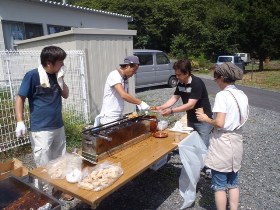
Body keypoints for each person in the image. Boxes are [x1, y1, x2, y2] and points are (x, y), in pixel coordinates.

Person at [15, 46, 72, 200]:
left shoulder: (57, 75)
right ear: (49, 62)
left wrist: (62, 80)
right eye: (60, 62)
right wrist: (19, 121)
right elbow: (20, 98)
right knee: (44, 164)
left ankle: (59, 189)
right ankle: (46, 195)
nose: (62, 65)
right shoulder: (33, 75)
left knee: (60, 160)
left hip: (58, 125)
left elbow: (65, 95)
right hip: (41, 129)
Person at [195, 62, 249, 210]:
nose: (215, 81)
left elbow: (219, 122)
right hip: (237, 138)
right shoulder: (242, 94)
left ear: (222, 77)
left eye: (215, 78)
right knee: (233, 181)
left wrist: (205, 118)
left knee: (219, 185)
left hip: (223, 141)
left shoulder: (222, 95)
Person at [156, 59, 213, 145]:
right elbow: (174, 98)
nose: (177, 77)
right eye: (176, 74)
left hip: (203, 120)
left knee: (203, 147)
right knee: (191, 145)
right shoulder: (181, 83)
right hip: (190, 118)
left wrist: (171, 111)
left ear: (186, 73)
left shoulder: (196, 83)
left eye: (179, 75)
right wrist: (161, 107)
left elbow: (190, 105)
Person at [94, 55, 150, 126]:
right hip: (109, 117)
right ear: (127, 66)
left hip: (118, 115)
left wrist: (137, 104)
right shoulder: (114, 75)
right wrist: (140, 103)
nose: (134, 73)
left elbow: (127, 96)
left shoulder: (124, 79)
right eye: (134, 70)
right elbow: (123, 95)